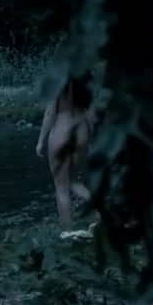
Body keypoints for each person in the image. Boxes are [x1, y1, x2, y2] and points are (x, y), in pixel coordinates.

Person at [36, 73, 96, 231]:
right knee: (74, 181)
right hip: (81, 132)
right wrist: (92, 138)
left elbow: (50, 113)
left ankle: (68, 231)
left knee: (61, 187)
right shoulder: (84, 85)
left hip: (61, 131)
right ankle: (98, 217)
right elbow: (91, 116)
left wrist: (40, 141)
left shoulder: (58, 82)